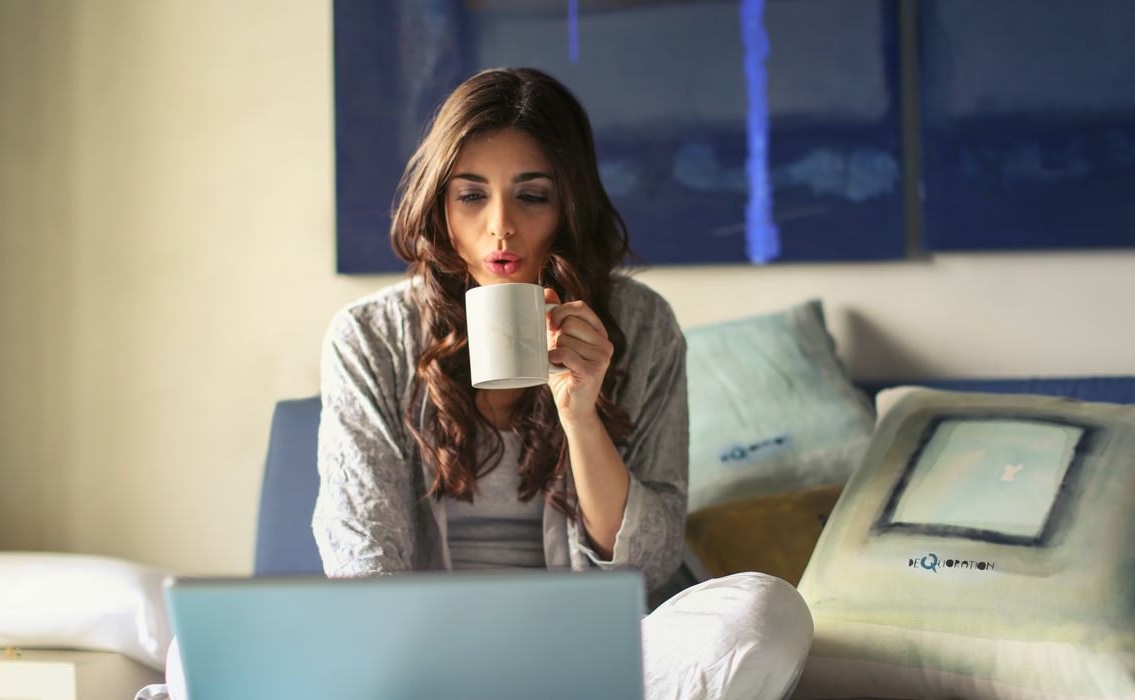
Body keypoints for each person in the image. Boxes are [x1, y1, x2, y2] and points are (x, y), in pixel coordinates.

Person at [142, 67, 811, 700]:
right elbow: (361, 556)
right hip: (420, 653)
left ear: (567, 204)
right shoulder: (370, 336)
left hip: (590, 652)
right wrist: (423, 660)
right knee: (194, 658)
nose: (501, 226)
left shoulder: (641, 325)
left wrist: (580, 414)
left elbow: (650, 563)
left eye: (531, 194)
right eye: (471, 194)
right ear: (440, 204)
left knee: (763, 613)